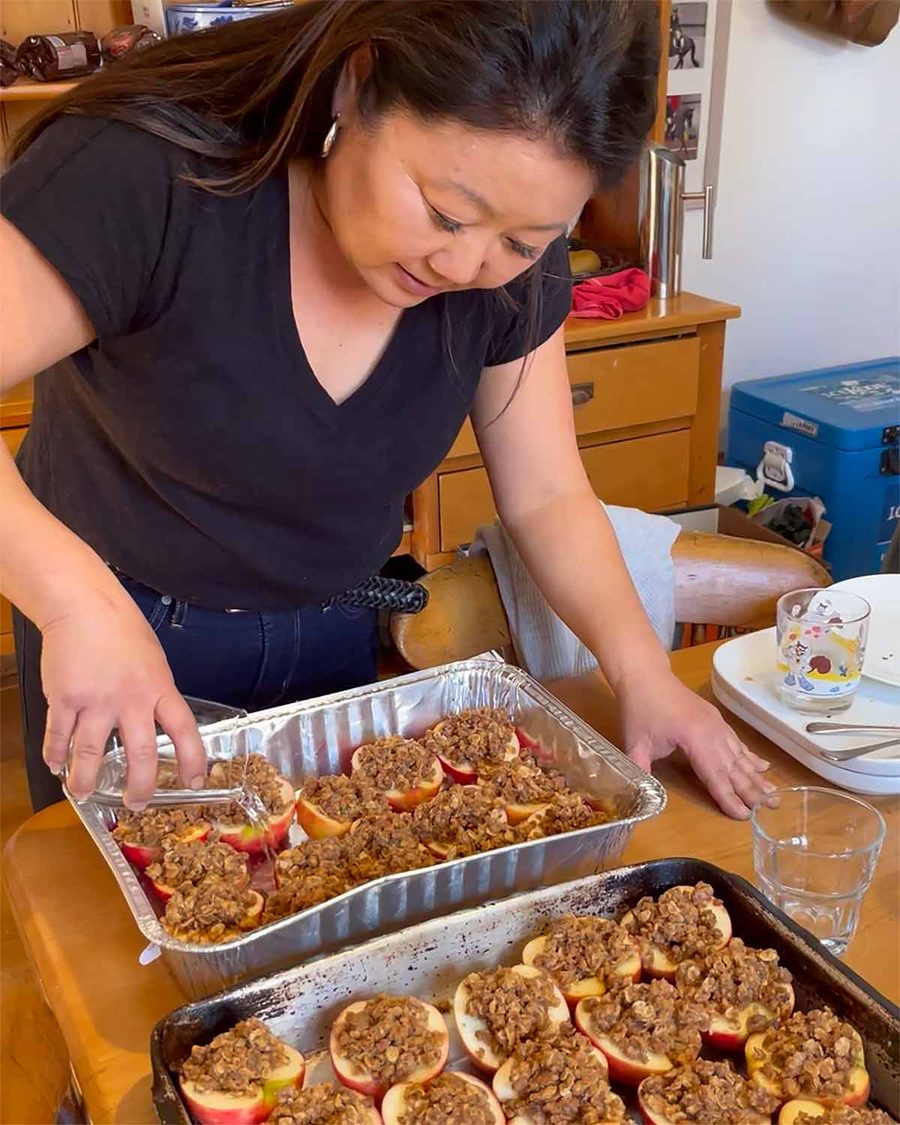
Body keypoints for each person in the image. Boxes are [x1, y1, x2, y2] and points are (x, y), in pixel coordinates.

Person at [0, 0, 773, 819]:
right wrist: (74, 600)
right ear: (357, 83)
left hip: (337, 623)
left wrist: (646, 676)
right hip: (123, 627)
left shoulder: (505, 254)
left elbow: (548, 495)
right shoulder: (144, 174)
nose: (467, 263)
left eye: (523, 242)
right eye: (446, 213)